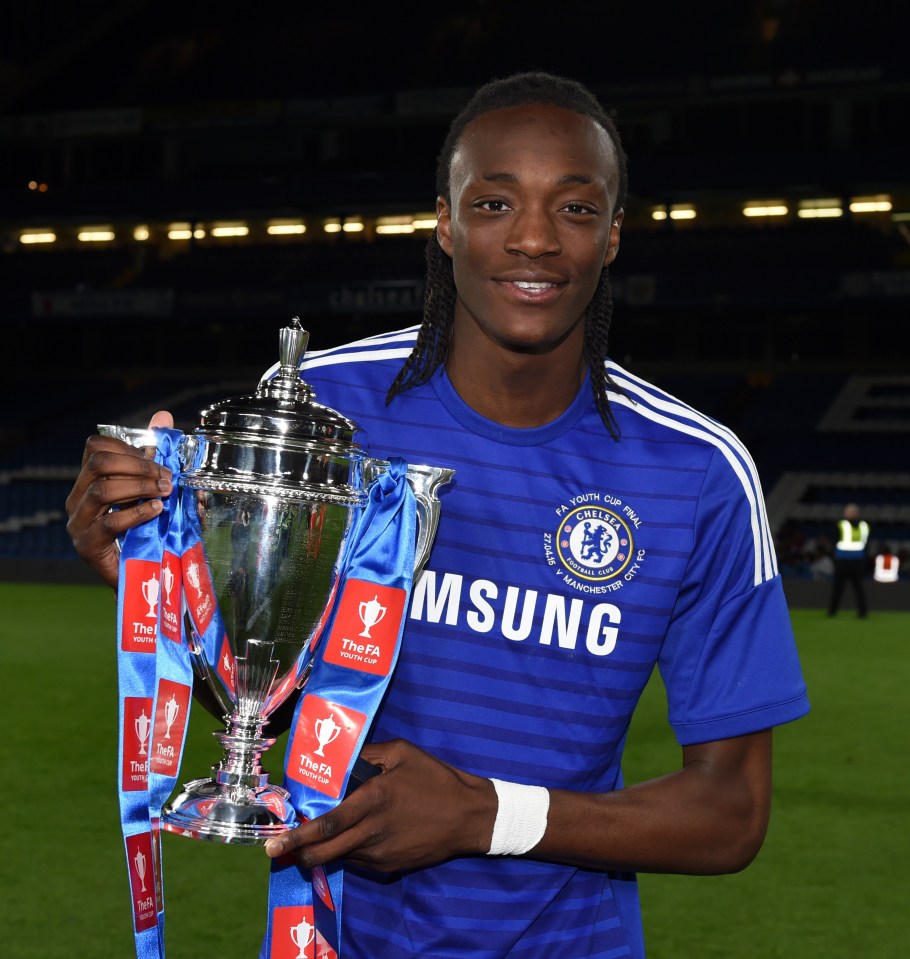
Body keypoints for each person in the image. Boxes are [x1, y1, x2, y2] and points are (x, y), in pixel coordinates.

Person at [65, 71, 810, 959]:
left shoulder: (698, 472)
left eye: (574, 209)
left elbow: (729, 814)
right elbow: (257, 676)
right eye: (495, 202)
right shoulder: (322, 412)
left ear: (613, 236)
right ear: (447, 223)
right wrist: (155, 574)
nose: (533, 238)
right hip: (331, 937)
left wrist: (485, 816)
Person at [827, 502, 871, 617]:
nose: (849, 513)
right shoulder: (841, 524)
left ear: (856, 513)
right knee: (839, 587)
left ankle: (862, 612)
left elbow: (866, 544)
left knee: (858, 587)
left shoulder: (861, 525)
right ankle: (832, 611)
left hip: (854, 561)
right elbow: (833, 541)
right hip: (843, 561)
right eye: (848, 511)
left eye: (850, 511)